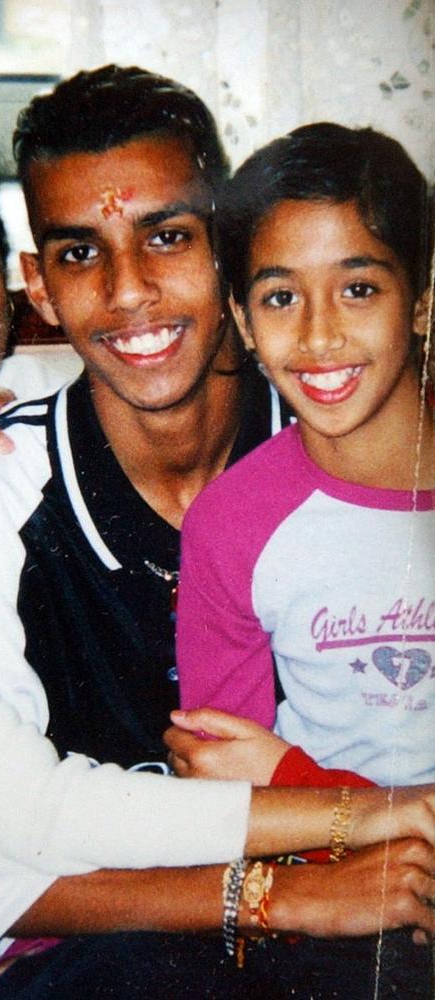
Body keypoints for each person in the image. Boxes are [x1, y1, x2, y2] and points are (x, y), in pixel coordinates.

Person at [0, 87, 428, 1000]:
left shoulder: (336, 428)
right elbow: (3, 857)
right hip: (121, 950)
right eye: (81, 253)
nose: (129, 290)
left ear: (230, 259)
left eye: (169, 237)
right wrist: (309, 873)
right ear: (39, 284)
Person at [174, 122, 434, 996]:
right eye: (282, 298)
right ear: (243, 321)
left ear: (424, 297)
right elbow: (223, 787)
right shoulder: (233, 524)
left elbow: (265, 775)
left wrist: (293, 775)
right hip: (354, 901)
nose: (320, 337)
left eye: (358, 287)